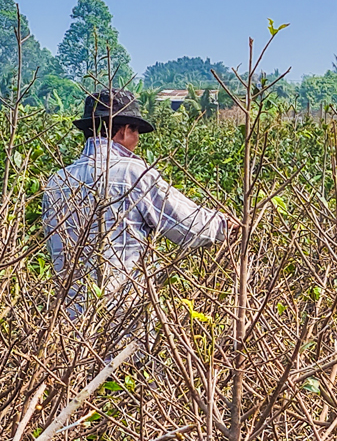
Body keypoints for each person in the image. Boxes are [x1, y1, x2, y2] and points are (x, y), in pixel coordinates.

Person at [43, 89, 237, 322]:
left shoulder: (57, 181)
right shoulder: (133, 174)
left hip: (69, 320)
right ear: (125, 131)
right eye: (136, 132)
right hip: (121, 317)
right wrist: (224, 225)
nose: (136, 140)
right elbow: (188, 227)